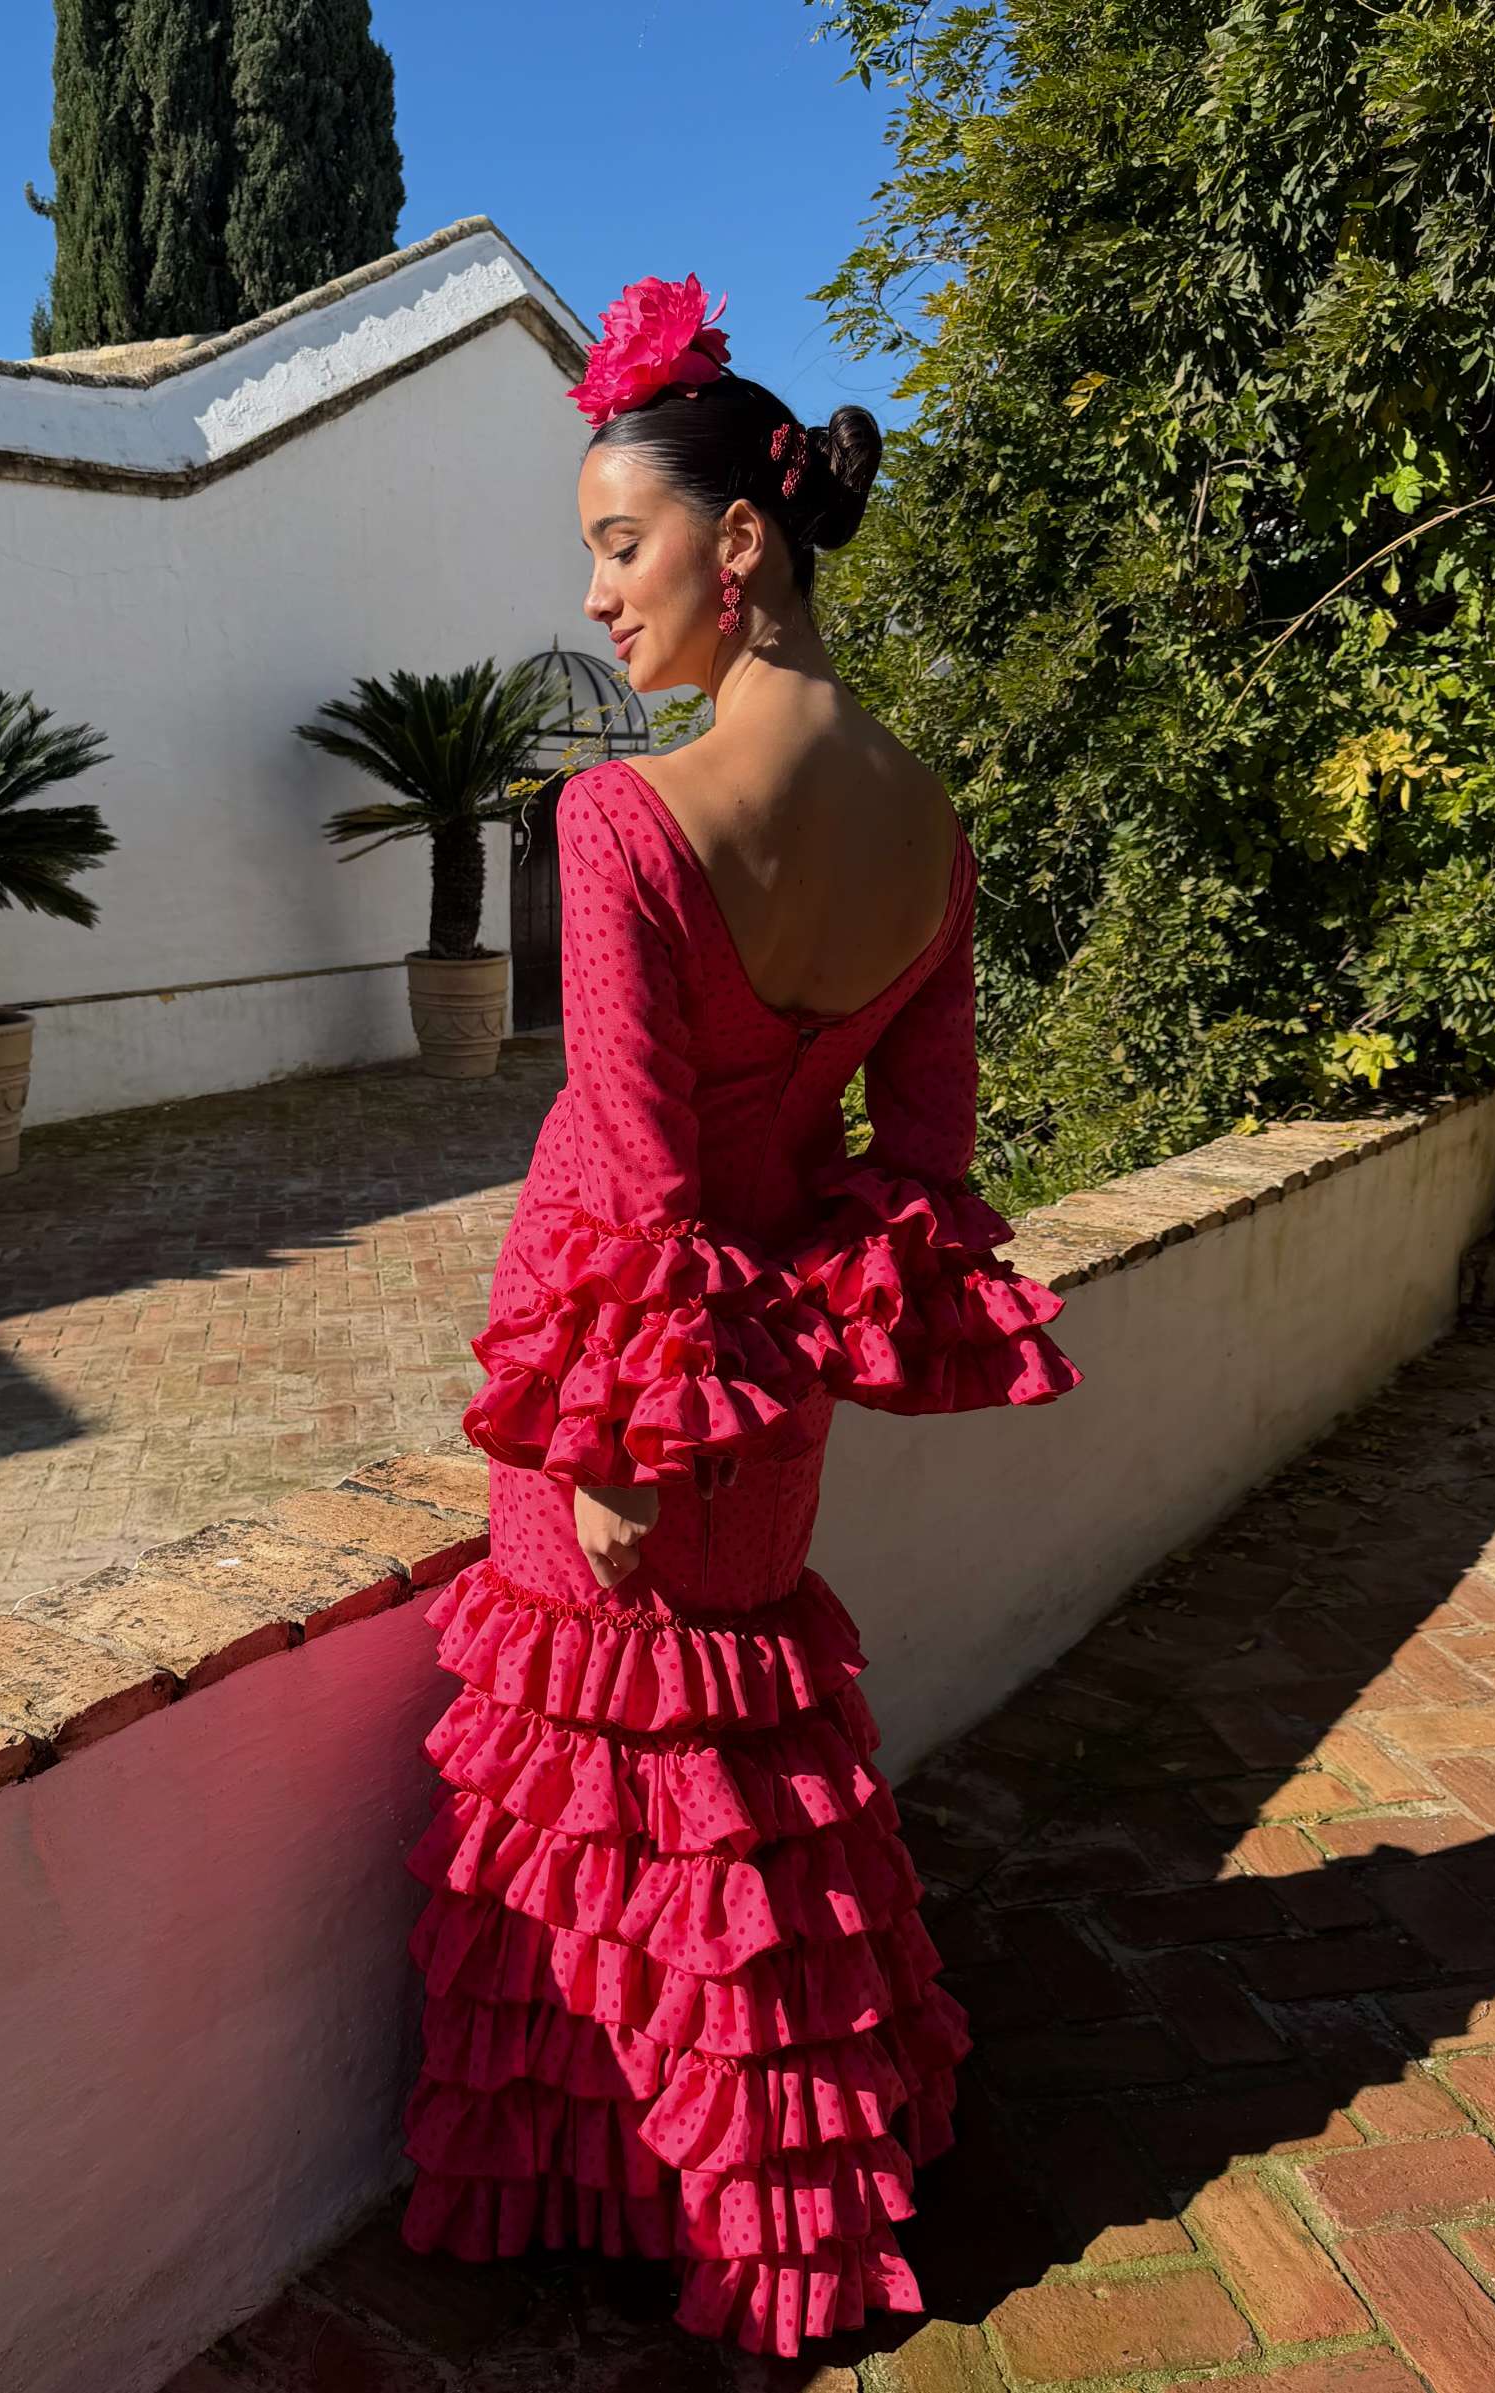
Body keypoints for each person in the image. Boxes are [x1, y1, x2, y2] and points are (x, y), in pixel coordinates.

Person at [397, 274, 1082, 2359]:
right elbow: (931, 1158)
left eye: (620, 546)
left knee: (611, 1804)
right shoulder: (930, 830)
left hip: (624, 1396)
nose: (602, 596)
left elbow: (627, 1162)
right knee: (743, 1791)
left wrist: (604, 1445)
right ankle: (772, 2181)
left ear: (742, 542)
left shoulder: (620, 820)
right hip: (765, 1387)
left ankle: (646, 2195)